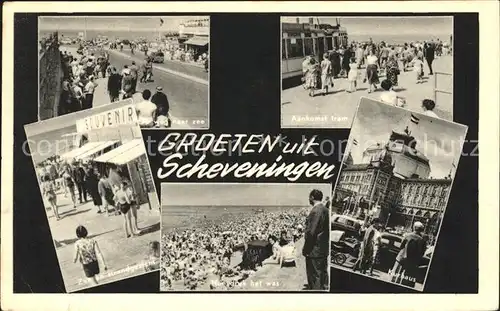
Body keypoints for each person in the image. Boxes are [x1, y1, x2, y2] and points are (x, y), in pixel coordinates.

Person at [302, 189, 329, 290]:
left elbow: (311, 232)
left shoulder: (315, 210)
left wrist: (306, 249)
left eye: (309, 197)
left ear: (312, 197)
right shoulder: (325, 209)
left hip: (314, 250)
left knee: (315, 276)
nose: (309, 199)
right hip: (323, 249)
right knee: (322, 274)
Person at [391, 221, 427, 288]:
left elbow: (401, 246)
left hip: (401, 259)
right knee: (407, 281)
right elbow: (422, 253)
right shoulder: (422, 240)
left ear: (414, 227)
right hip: (412, 262)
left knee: (395, 276)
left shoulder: (407, 235)